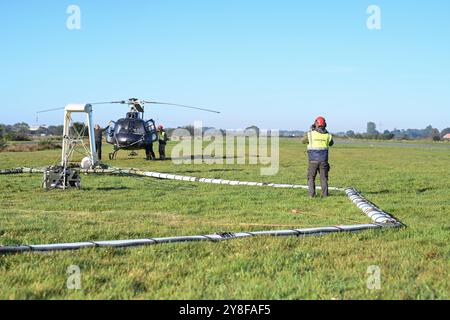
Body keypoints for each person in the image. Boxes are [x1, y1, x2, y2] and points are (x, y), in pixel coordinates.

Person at [306, 116, 334, 197]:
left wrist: (312, 130)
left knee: (311, 177)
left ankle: (312, 195)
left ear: (315, 124)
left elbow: (303, 141)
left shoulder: (310, 134)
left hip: (313, 160)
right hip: (324, 161)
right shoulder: (328, 135)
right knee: (324, 178)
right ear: (325, 124)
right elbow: (331, 143)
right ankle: (325, 195)